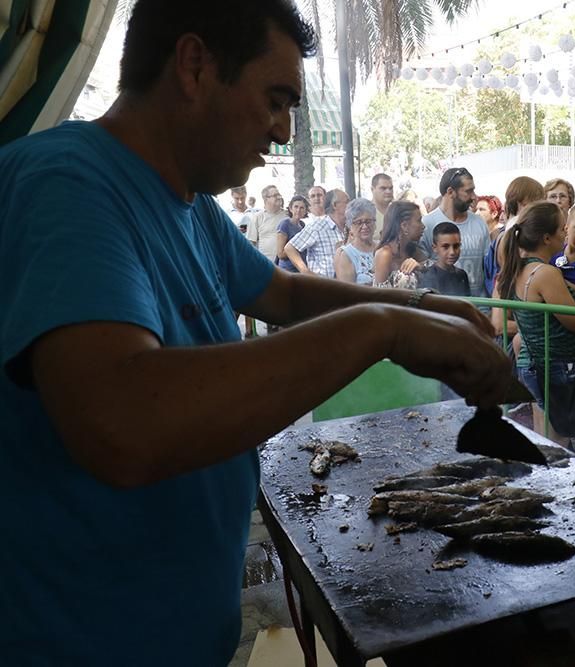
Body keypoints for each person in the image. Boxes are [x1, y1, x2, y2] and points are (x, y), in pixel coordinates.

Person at [0, 3, 511, 663]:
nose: (282, 132)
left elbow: (286, 293)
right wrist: (383, 325)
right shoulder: (66, 184)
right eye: (275, 100)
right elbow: (120, 421)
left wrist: (422, 309)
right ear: (193, 66)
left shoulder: (188, 205)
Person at [495, 201, 575, 445]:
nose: (564, 234)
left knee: (544, 437)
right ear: (547, 238)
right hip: (556, 365)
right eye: (561, 229)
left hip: (535, 362)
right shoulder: (545, 274)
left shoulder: (518, 269)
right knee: (558, 445)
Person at [419, 167, 490, 298]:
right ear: (451, 192)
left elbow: (488, 267)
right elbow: (421, 266)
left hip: (479, 308)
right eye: (468, 191)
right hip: (445, 310)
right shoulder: (426, 224)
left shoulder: (480, 223)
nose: (474, 197)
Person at [484, 176, 545, 298]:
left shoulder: (505, 232)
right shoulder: (516, 233)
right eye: (539, 202)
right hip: (512, 297)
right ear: (524, 202)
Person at [285, 188, 348, 278]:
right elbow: (290, 248)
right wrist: (305, 271)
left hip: (344, 285)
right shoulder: (317, 226)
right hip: (321, 286)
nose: (350, 205)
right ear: (334, 205)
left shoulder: (349, 228)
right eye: (347, 202)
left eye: (319, 195)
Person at [373, 201, 427, 289]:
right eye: (419, 221)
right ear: (404, 225)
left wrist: (420, 266)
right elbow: (379, 295)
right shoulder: (384, 254)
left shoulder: (412, 250)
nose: (423, 226)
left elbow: (435, 268)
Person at [418, 221, 471, 297]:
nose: (452, 252)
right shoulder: (427, 277)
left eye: (456, 246)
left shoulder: (462, 275)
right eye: (445, 247)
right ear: (434, 248)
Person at [335, 198, 378, 286]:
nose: (364, 226)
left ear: (374, 223)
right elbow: (348, 292)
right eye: (358, 222)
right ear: (350, 226)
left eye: (368, 221)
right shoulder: (346, 254)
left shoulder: (382, 247)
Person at [247, 183, 284, 260]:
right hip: (265, 264)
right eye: (275, 195)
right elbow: (251, 244)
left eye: (279, 194)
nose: (279, 197)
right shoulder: (257, 217)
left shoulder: (288, 215)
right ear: (266, 199)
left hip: (285, 264)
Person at [275, 194, 308, 272]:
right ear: (290, 208)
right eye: (296, 207)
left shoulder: (303, 225)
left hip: (300, 270)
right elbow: (280, 254)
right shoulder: (285, 224)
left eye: (302, 208)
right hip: (287, 271)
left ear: (305, 211)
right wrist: (297, 247)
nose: (298, 210)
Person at [371, 172, 394, 239]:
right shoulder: (366, 213)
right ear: (372, 189)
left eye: (391, 188)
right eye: (383, 188)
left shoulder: (397, 210)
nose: (388, 191)